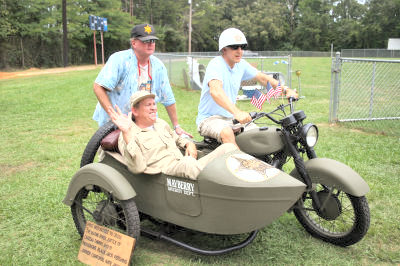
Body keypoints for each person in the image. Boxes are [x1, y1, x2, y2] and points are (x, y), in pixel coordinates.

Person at [196, 28, 298, 146]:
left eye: (242, 47)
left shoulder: (241, 65)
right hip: (210, 119)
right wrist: (237, 112)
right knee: (227, 133)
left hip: (231, 119)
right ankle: (238, 164)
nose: (239, 51)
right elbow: (216, 91)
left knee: (260, 136)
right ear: (224, 49)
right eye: (235, 47)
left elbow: (262, 78)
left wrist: (285, 89)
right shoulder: (216, 64)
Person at [109, 90, 237, 180]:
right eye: (148, 105)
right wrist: (126, 133)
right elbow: (137, 167)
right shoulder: (128, 135)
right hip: (165, 173)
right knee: (189, 164)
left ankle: (248, 179)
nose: (154, 108)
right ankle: (223, 188)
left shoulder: (160, 123)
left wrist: (189, 143)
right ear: (135, 111)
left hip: (183, 163)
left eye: (154, 104)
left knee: (229, 148)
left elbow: (175, 137)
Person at [93, 23, 191, 137]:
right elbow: (98, 87)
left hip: (144, 123)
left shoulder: (158, 66)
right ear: (134, 43)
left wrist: (176, 126)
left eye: (153, 41)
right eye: (145, 41)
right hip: (115, 124)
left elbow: (168, 98)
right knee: (116, 152)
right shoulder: (119, 60)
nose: (150, 44)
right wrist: (115, 116)